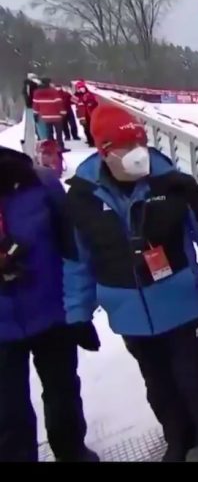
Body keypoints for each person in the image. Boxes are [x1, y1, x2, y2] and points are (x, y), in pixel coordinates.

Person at [62, 104, 198, 462]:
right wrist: (78, 315)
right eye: (128, 146)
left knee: (196, 381)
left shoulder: (174, 184)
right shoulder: (81, 200)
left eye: (141, 143)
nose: (139, 153)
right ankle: (179, 440)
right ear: (105, 152)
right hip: (130, 317)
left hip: (182, 308)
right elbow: (77, 263)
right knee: (159, 387)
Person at [0, 146, 100, 462]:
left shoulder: (40, 183)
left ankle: (72, 451)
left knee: (63, 392)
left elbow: (74, 248)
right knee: (7, 409)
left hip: (52, 312)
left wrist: (80, 308)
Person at [32, 77, 67, 153]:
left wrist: (35, 114)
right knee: (59, 133)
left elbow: (35, 104)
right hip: (56, 116)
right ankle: (60, 147)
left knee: (49, 133)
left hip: (45, 116)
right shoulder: (53, 91)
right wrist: (63, 113)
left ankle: (51, 148)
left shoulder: (37, 92)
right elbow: (59, 103)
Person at [73, 81, 98, 147]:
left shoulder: (90, 94)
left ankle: (93, 141)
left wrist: (91, 103)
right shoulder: (77, 96)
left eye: (83, 87)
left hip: (90, 114)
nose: (82, 89)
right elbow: (72, 101)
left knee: (92, 128)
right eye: (80, 88)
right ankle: (90, 141)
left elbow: (95, 102)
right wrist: (76, 93)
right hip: (82, 115)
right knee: (86, 129)